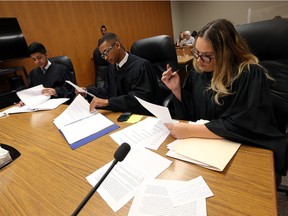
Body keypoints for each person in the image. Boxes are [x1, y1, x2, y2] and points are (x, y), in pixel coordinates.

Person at [161, 19, 286, 175]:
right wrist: (177, 90)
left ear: (227, 53)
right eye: (197, 52)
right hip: (203, 147)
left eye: (207, 56)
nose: (199, 60)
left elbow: (243, 124)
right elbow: (192, 111)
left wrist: (191, 130)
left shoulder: (249, 74)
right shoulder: (198, 72)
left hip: (240, 149)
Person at [78, 32, 161, 115]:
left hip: (143, 115)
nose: (105, 58)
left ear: (117, 45)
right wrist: (87, 91)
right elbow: (107, 91)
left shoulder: (142, 66)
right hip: (121, 113)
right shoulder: (111, 68)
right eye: (103, 55)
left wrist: (108, 102)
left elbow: (139, 99)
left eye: (106, 52)